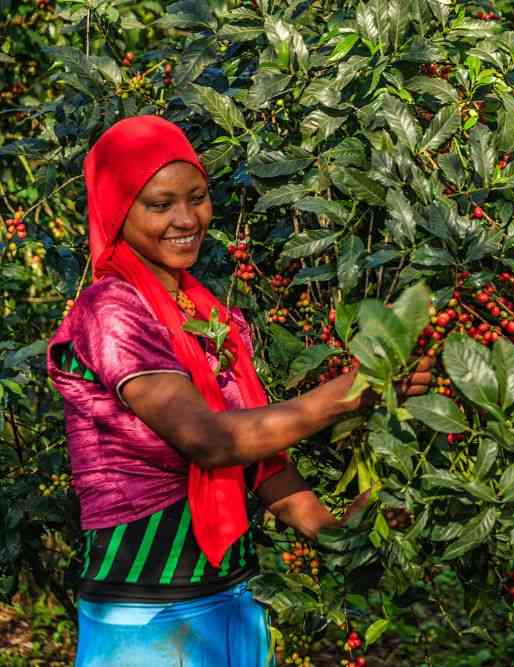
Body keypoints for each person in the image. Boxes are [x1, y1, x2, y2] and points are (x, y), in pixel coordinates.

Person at [46, 115, 432, 667]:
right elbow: (210, 441)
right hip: (146, 615)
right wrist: (347, 395)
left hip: (230, 600)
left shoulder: (207, 314)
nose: (186, 219)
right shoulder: (111, 311)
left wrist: (342, 528)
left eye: (198, 198)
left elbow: (258, 457)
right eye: (159, 205)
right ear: (117, 209)